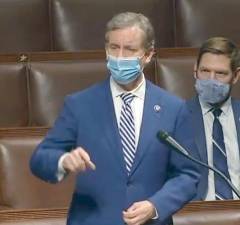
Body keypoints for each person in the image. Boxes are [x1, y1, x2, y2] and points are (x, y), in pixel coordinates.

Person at [30, 12, 200, 225]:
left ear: (147, 55)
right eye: (113, 48)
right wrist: (63, 161)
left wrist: (156, 206)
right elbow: (40, 158)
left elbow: (188, 174)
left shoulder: (173, 109)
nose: (120, 57)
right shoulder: (80, 105)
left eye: (129, 49)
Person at [186, 37, 240, 200]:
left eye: (221, 73)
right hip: (197, 214)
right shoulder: (177, 117)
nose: (211, 80)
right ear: (195, 70)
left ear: (236, 76)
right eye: (205, 71)